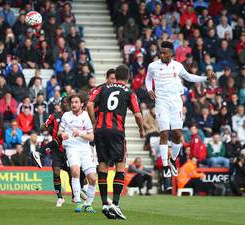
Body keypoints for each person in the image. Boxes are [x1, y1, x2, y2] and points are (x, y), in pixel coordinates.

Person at [145, 41, 213, 191]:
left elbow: (188, 77)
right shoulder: (153, 66)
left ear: (171, 54)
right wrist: (150, 89)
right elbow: (148, 79)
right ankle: (165, 166)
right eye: (160, 52)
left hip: (175, 104)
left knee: (177, 134)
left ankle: (173, 160)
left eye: (165, 53)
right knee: (164, 133)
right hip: (161, 102)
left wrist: (205, 79)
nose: (162, 55)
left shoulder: (178, 66)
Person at [88, 65, 145, 220]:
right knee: (120, 165)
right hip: (116, 132)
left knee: (103, 166)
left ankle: (105, 204)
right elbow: (139, 116)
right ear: (128, 77)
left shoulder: (102, 88)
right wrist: (141, 130)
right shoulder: (128, 92)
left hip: (100, 131)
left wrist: (94, 122)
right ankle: (116, 204)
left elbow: (89, 104)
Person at [59, 94, 97, 213]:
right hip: (71, 147)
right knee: (75, 171)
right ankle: (78, 201)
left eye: (76, 102)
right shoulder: (66, 116)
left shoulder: (86, 116)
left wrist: (79, 133)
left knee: (92, 178)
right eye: (72, 102)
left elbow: (91, 137)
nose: (73, 104)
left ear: (81, 104)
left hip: (85, 149)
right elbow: (59, 132)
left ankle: (88, 204)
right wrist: (62, 135)